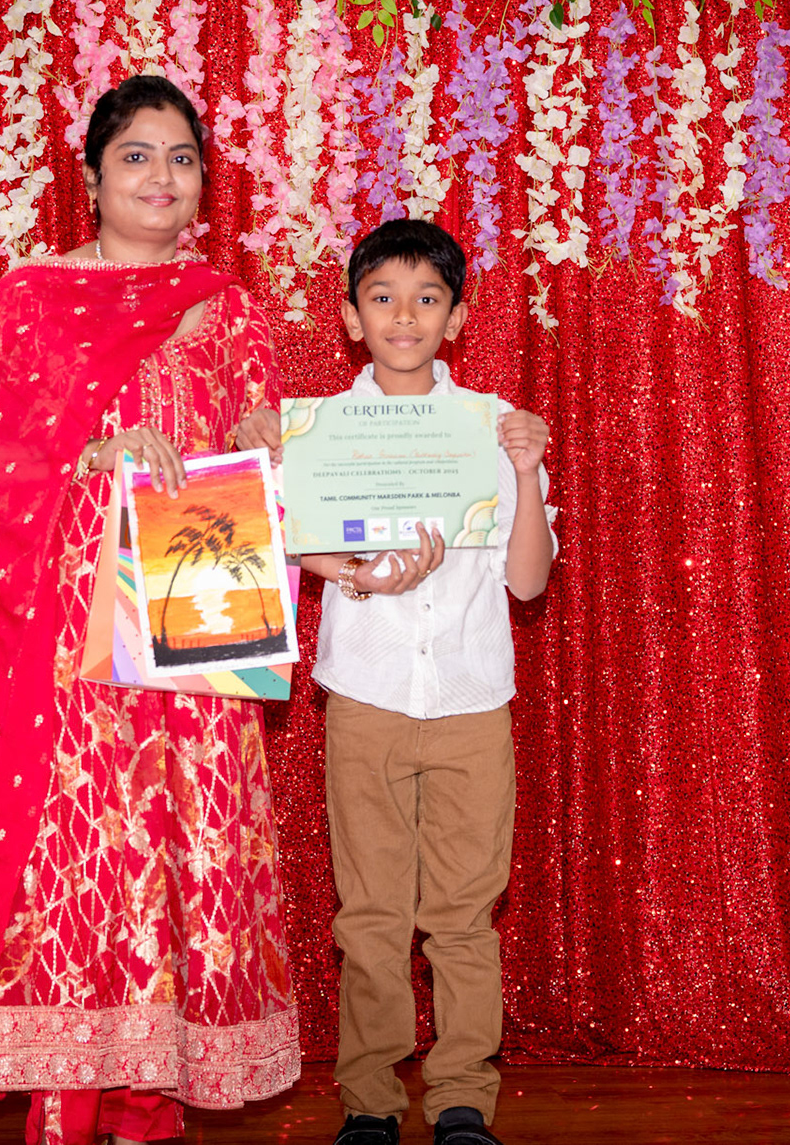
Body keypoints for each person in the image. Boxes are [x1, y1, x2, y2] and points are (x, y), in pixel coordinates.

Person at [0, 75, 299, 1145]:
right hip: (64, 628)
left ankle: (150, 1106)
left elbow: (260, 442)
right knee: (85, 842)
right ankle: (68, 1103)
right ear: (94, 177)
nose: (162, 176)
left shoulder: (226, 305)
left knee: (180, 836)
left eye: (182, 158)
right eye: (137, 156)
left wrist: (272, 437)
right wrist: (93, 451)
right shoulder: (31, 299)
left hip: (195, 606)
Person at [236, 219, 556, 1145]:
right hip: (367, 697)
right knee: (371, 911)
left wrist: (526, 471)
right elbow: (273, 539)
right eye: (382, 297)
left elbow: (528, 581)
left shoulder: (494, 427)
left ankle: (462, 1098)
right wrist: (267, 459)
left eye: (427, 299)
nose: (404, 315)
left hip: (471, 702)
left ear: (456, 318)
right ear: (351, 317)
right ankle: (370, 1100)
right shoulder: (316, 432)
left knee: (462, 914)